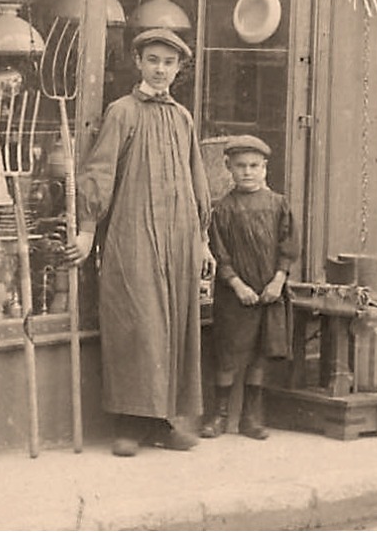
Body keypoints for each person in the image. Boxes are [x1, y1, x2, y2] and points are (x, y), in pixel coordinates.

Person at [65, 28, 213, 456]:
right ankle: (129, 422)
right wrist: (88, 229)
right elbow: (100, 172)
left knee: (173, 326)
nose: (160, 69)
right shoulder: (122, 112)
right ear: (138, 62)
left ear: (179, 69)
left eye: (169, 63)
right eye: (153, 60)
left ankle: (163, 422)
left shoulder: (182, 118)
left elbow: (196, 179)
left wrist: (201, 240)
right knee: (138, 324)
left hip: (179, 237)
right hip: (133, 235)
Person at [201, 135, 296, 441]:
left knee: (259, 355)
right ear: (229, 167)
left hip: (269, 292)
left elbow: (289, 245)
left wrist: (278, 280)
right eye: (240, 166)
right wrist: (236, 284)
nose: (248, 172)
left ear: (265, 168)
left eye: (254, 166)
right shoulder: (224, 210)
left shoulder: (279, 205)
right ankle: (219, 415)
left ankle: (250, 417)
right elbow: (220, 252)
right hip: (235, 295)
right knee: (228, 355)